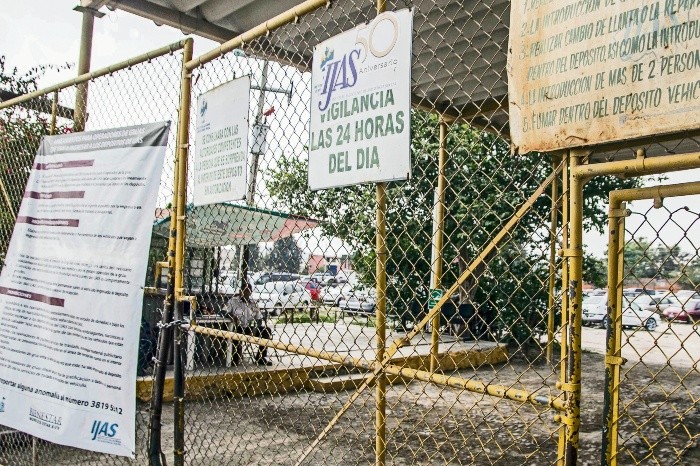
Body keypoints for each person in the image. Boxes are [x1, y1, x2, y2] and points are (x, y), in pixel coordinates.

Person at [225, 279, 273, 366]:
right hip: (237, 327)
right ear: (241, 291)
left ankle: (260, 357)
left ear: (251, 292)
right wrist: (231, 316)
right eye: (245, 290)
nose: (246, 292)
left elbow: (259, 318)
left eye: (248, 290)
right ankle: (235, 358)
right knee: (236, 333)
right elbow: (224, 312)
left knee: (267, 331)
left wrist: (255, 328)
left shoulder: (253, 303)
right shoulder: (233, 301)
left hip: (249, 328)